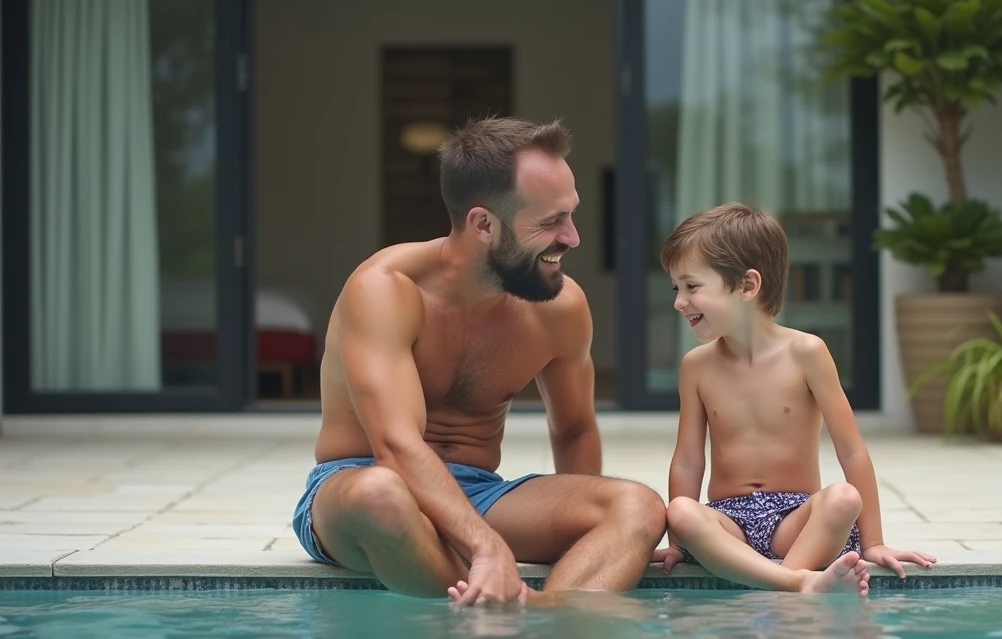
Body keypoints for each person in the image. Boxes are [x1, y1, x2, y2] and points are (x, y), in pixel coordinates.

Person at [290, 116, 666, 606]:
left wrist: (586, 533)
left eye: (571, 215)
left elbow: (574, 430)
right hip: (361, 487)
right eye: (551, 221)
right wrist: (485, 545)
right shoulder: (385, 289)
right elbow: (396, 447)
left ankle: (541, 622)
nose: (572, 238)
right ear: (484, 224)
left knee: (638, 506)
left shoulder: (561, 308)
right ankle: (504, 616)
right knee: (381, 495)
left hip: (478, 491)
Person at [650, 202, 937, 595]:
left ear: (748, 286)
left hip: (796, 522)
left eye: (691, 286)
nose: (679, 301)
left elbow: (851, 451)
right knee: (681, 511)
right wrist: (677, 546)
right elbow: (687, 458)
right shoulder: (697, 366)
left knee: (842, 499)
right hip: (728, 524)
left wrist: (873, 543)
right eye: (676, 288)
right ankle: (795, 584)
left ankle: (779, 582)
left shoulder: (807, 353)